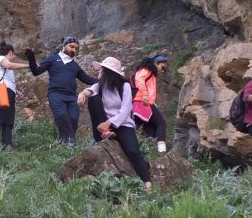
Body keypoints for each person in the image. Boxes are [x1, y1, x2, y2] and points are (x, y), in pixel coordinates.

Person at [78, 57, 152, 193]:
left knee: (133, 151)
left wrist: (109, 123)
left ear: (109, 73)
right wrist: (82, 94)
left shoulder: (125, 87)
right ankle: (105, 134)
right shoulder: (100, 86)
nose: (99, 73)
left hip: (122, 124)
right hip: (102, 128)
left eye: (102, 71)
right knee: (93, 98)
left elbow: (125, 111)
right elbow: (90, 90)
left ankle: (147, 183)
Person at [24, 37, 98, 145]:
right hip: (56, 95)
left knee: (73, 119)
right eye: (71, 46)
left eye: (76, 48)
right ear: (64, 45)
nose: (74, 50)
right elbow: (36, 72)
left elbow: (87, 79)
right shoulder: (53, 58)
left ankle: (65, 144)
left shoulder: (75, 65)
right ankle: (70, 143)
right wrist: (31, 57)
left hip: (72, 97)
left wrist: (104, 81)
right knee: (62, 117)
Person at [0, 41, 30, 150]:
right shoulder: (1, 59)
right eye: (13, 55)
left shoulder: (4, 66)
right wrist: (28, 65)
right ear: (10, 52)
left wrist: (16, 91)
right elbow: (9, 65)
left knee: (9, 119)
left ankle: (7, 145)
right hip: (2, 92)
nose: (13, 57)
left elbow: (7, 80)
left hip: (8, 92)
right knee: (0, 118)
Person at [132, 55, 169, 153]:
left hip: (142, 103)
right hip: (142, 102)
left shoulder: (151, 75)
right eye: (162, 67)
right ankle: (162, 152)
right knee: (162, 124)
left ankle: (151, 152)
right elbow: (139, 79)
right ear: (156, 63)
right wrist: (144, 95)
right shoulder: (147, 70)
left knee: (151, 131)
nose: (163, 71)